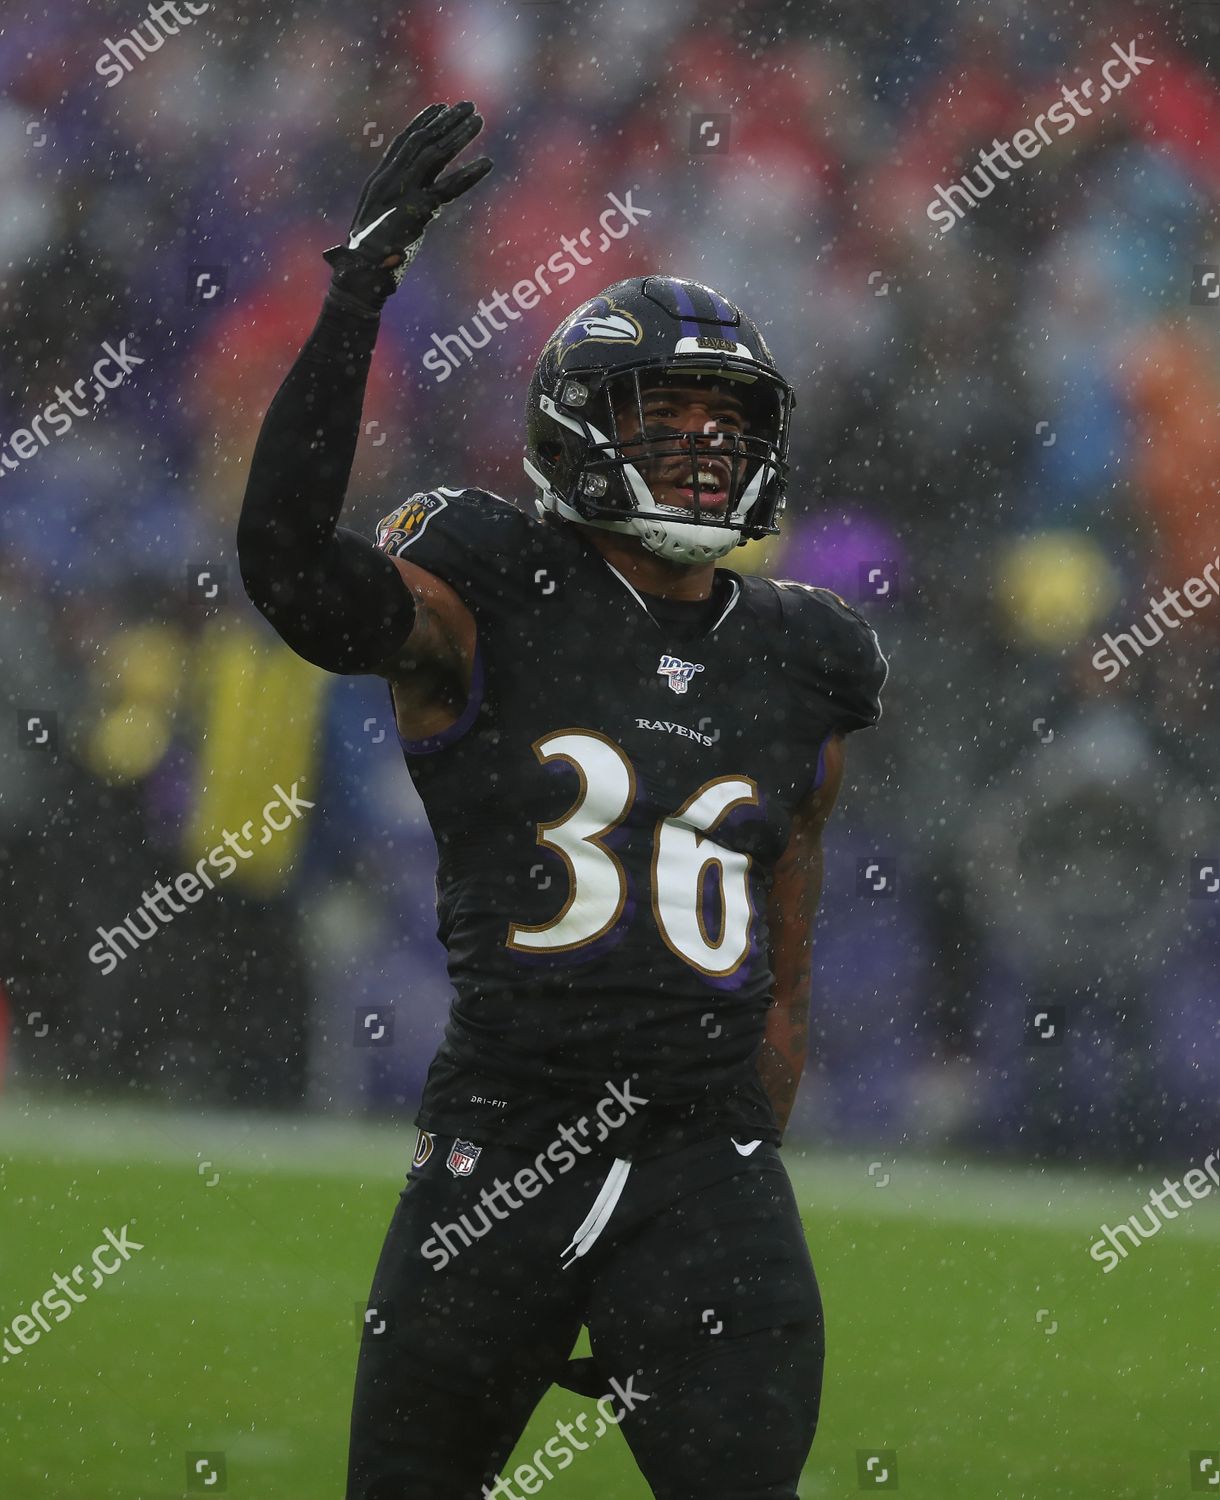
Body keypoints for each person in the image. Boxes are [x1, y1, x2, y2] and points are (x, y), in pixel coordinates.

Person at [237, 101, 888, 1500]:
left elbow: (791, 925)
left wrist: (740, 1109)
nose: (711, 445)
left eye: (732, 418)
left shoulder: (804, 656)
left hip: (701, 1165)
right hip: (504, 1136)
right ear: (584, 429)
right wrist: (360, 288)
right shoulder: (489, 583)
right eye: (674, 413)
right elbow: (290, 568)